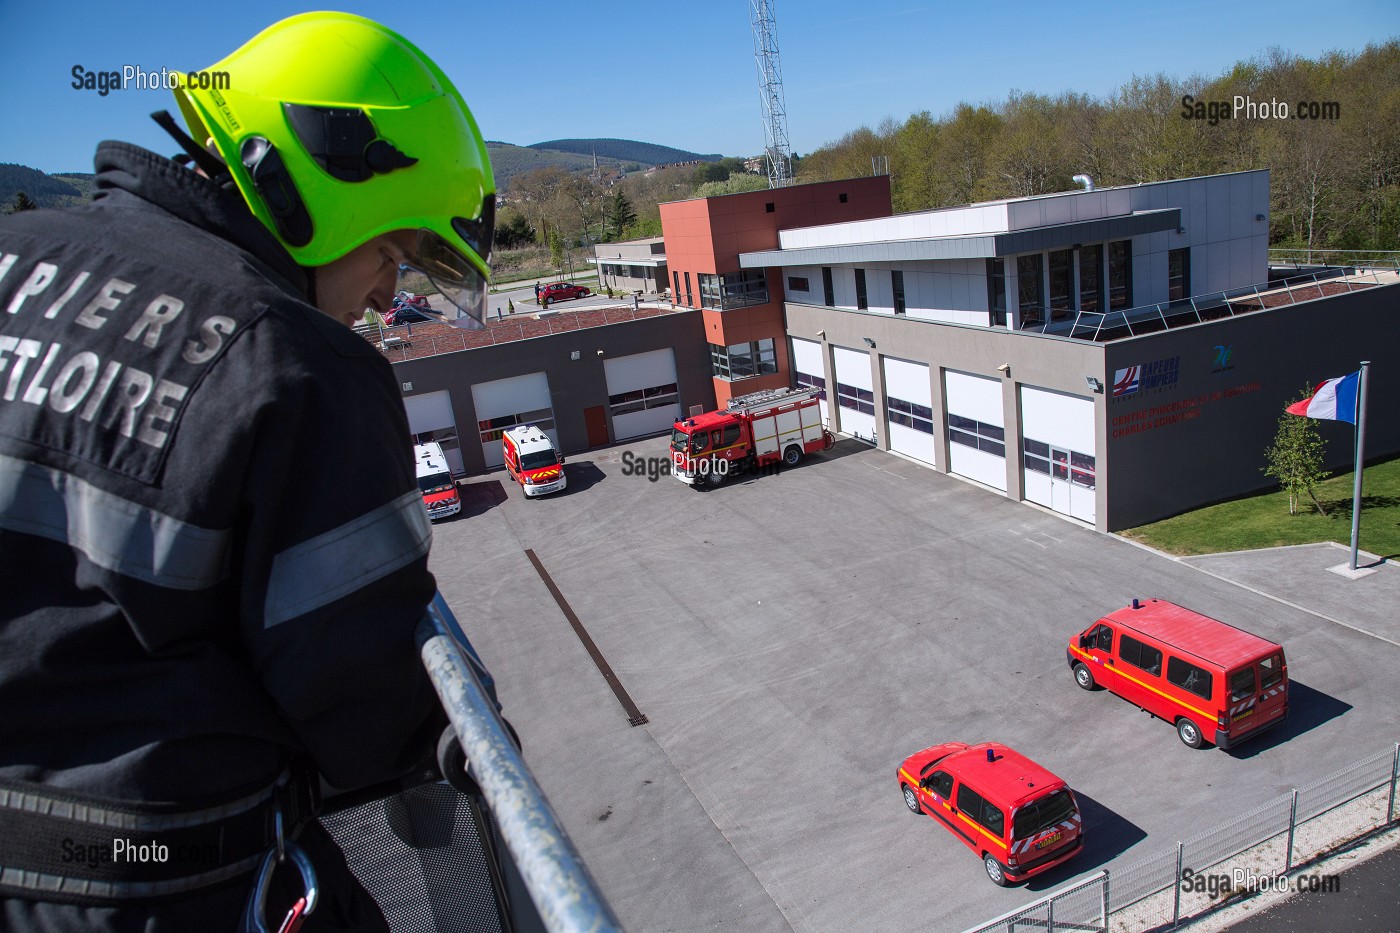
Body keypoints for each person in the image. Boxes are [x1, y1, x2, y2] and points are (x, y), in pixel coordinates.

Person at [0, 12, 495, 932]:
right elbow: (369, 711)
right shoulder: (294, 364)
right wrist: (466, 723)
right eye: (391, 250)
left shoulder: (18, 261)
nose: (388, 294)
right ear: (308, 184)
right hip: (158, 881)